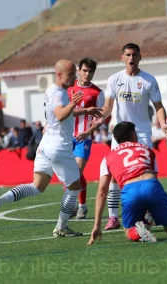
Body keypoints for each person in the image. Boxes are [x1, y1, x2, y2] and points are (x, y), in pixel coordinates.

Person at [0, 59, 85, 237]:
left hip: (46, 144)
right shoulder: (60, 94)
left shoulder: (52, 90)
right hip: (58, 147)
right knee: (75, 187)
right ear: (59, 75)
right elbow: (61, 114)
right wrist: (73, 103)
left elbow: (59, 115)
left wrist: (85, 111)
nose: (75, 77)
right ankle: (61, 227)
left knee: (37, 186)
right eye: (72, 74)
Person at [91, 43, 167, 230]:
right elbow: (108, 106)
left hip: (142, 134)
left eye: (135, 55)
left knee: (147, 172)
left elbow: (159, 106)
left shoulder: (148, 80)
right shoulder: (114, 79)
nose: (131, 58)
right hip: (121, 133)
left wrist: (164, 125)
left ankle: (147, 213)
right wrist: (100, 119)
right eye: (128, 55)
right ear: (122, 57)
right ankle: (113, 217)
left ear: (140, 57)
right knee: (114, 174)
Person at [87, 122, 167, 244]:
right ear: (133, 135)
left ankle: (138, 231)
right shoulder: (147, 150)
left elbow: (102, 192)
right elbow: (154, 179)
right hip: (151, 185)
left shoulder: (107, 157)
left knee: (128, 230)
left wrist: (96, 225)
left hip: (130, 190)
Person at [67, 57, 104, 219]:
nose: (87, 74)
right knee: (70, 173)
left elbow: (101, 118)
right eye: (84, 70)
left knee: (76, 170)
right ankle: (81, 205)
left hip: (84, 138)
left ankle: (73, 204)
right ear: (78, 70)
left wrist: (88, 132)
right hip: (66, 137)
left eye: (90, 71)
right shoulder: (68, 88)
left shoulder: (97, 93)